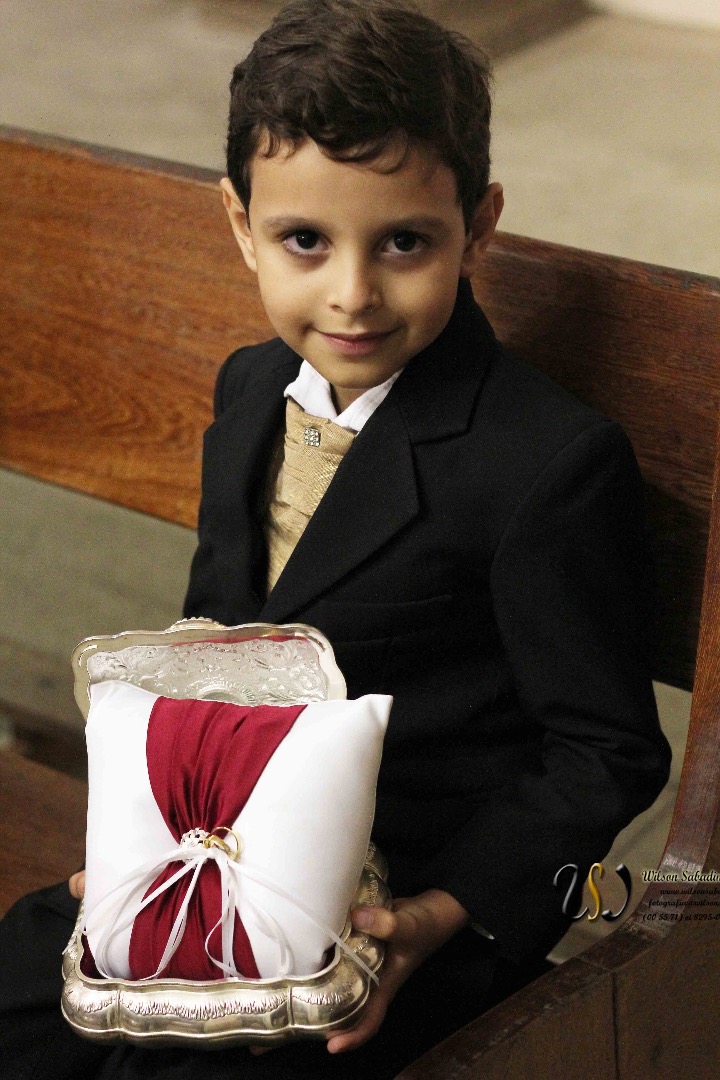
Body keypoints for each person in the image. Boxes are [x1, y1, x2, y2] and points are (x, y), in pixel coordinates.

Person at [0, 2, 670, 1077]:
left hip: (399, 907)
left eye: (405, 242)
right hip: (209, 846)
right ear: (239, 223)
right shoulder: (250, 388)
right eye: (304, 241)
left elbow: (606, 752)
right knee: (32, 999)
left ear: (480, 227)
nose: (354, 293)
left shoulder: (544, 460)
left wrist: (443, 915)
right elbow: (211, 646)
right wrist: (140, 843)